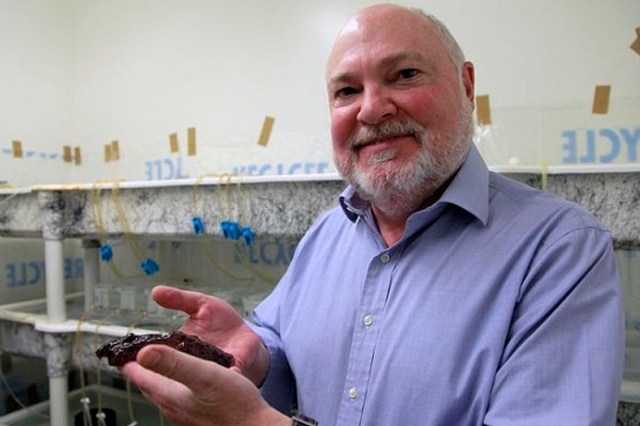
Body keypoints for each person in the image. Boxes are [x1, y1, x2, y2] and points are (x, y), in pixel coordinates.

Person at [122, 3, 625, 425]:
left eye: (404, 75)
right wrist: (254, 357)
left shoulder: (560, 249)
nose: (370, 109)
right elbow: (287, 352)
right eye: (346, 91)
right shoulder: (327, 233)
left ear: (467, 87)